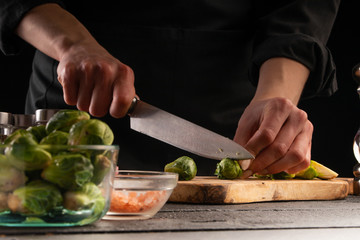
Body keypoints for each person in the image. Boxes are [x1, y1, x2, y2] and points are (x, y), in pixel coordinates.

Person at [0, 0, 340, 177]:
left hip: (231, 119)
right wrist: (72, 46)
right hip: (78, 103)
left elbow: (301, 7)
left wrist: (274, 97)